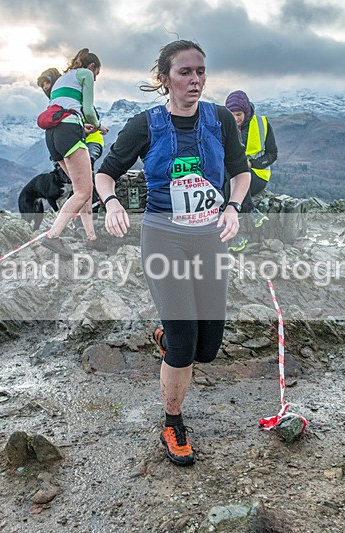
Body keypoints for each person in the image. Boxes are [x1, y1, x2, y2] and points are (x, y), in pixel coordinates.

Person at [94, 40, 251, 466]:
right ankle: (172, 421)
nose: (196, 79)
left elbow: (241, 172)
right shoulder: (145, 125)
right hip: (164, 236)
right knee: (184, 344)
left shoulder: (220, 119)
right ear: (164, 79)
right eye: (185, 72)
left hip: (210, 237)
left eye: (201, 70)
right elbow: (104, 174)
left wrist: (233, 207)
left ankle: (169, 337)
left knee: (208, 348)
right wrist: (111, 203)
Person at [35, 49, 103, 254]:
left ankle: (91, 238)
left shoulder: (63, 79)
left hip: (53, 135)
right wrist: (98, 126)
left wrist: (85, 126)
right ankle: (53, 236)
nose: (95, 78)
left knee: (84, 189)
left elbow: (65, 110)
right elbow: (88, 110)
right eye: (97, 74)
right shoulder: (86, 74)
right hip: (70, 131)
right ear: (92, 67)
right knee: (83, 191)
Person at [224, 90, 278, 251]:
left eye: (239, 114)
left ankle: (235, 236)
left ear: (246, 111)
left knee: (229, 191)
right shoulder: (225, 125)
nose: (235, 118)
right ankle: (249, 211)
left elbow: (272, 154)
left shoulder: (262, 124)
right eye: (231, 114)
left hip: (257, 176)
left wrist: (252, 164)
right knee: (228, 183)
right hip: (231, 175)